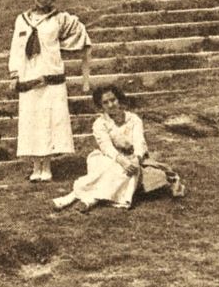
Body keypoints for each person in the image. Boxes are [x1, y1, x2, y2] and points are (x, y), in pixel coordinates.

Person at [8, 0, 92, 183]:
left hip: (51, 75)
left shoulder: (59, 19)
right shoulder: (21, 20)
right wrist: (15, 74)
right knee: (31, 121)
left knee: (49, 121)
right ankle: (35, 166)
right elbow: (17, 48)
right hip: (29, 76)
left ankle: (47, 165)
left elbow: (79, 33)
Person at [52, 86, 180, 212]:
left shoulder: (134, 119)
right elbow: (106, 147)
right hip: (108, 157)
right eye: (105, 102)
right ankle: (75, 198)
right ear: (101, 106)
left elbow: (139, 142)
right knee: (111, 167)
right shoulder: (100, 123)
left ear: (119, 100)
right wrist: (121, 160)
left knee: (129, 170)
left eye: (113, 100)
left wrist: (137, 158)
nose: (111, 105)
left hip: (133, 157)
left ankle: (86, 200)